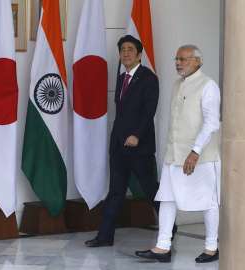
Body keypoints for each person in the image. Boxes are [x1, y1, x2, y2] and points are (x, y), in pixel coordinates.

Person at [135, 45, 221, 263]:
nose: (178, 63)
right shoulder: (176, 85)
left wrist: (195, 151)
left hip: (200, 157)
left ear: (198, 62)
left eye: (184, 59)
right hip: (174, 155)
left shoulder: (208, 85)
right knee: (167, 199)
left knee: (208, 201)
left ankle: (211, 248)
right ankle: (162, 247)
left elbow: (211, 123)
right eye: (177, 59)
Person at [85, 34, 161, 247]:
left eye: (130, 49)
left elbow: (149, 111)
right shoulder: (121, 78)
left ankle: (169, 230)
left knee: (151, 190)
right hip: (119, 147)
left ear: (139, 54)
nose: (125, 53)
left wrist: (136, 134)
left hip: (139, 147)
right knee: (115, 192)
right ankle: (104, 237)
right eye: (122, 50)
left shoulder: (148, 78)